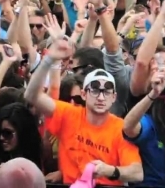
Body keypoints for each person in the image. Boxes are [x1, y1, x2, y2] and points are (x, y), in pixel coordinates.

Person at [25, 37, 144, 186]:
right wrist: (49, 60)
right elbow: (31, 95)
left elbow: (137, 173)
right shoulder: (68, 114)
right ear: (83, 94)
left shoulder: (120, 128)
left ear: (114, 97)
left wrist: (111, 171)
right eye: (95, 90)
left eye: (106, 92)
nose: (101, 97)